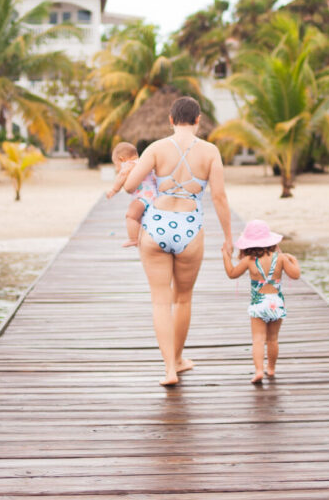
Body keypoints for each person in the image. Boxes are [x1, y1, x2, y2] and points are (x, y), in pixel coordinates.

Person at [123, 96, 232, 386]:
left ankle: (169, 369)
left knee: (161, 302)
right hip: (190, 227)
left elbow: (130, 186)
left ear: (171, 120)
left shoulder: (156, 148)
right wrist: (228, 237)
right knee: (182, 299)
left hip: (156, 225)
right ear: (198, 120)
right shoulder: (210, 152)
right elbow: (219, 197)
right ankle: (179, 359)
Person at [222, 219, 301, 383]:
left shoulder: (249, 260)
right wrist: (293, 260)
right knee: (272, 339)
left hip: (259, 303)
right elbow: (295, 275)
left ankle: (259, 371)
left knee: (258, 339)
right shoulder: (280, 258)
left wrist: (225, 256)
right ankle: (270, 369)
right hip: (276, 303)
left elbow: (232, 273)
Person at [105, 141, 156, 247]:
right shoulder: (143, 163)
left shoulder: (129, 164)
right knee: (139, 219)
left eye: (116, 165)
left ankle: (133, 239)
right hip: (153, 197)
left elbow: (122, 175)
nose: (117, 168)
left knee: (130, 216)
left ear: (121, 159)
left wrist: (114, 190)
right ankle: (142, 238)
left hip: (143, 197)